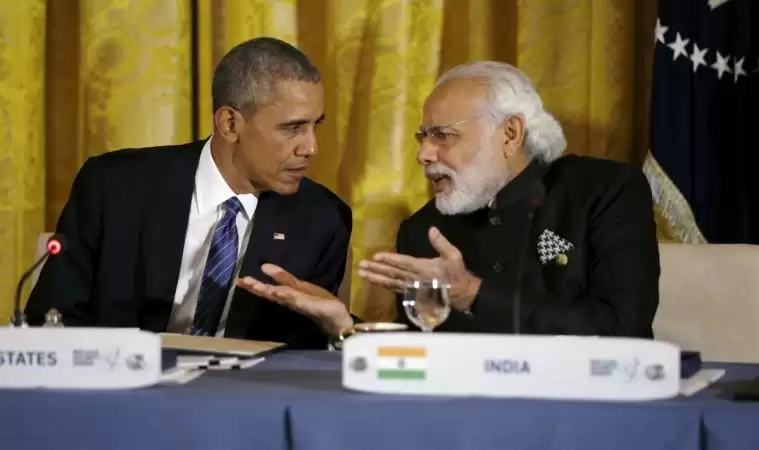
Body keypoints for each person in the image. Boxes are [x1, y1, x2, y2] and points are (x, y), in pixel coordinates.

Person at [236, 61, 660, 339]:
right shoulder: (423, 230)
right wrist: (343, 323)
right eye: (423, 137)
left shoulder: (605, 191)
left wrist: (472, 293)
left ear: (510, 134)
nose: (424, 154)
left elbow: (622, 330)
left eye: (443, 135)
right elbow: (418, 356)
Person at [25, 37, 351, 349]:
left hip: (244, 386)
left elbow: (308, 353)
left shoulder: (322, 219)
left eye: (315, 126)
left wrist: (339, 326)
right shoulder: (114, 187)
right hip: (120, 379)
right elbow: (53, 320)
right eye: (293, 128)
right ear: (230, 124)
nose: (311, 148)